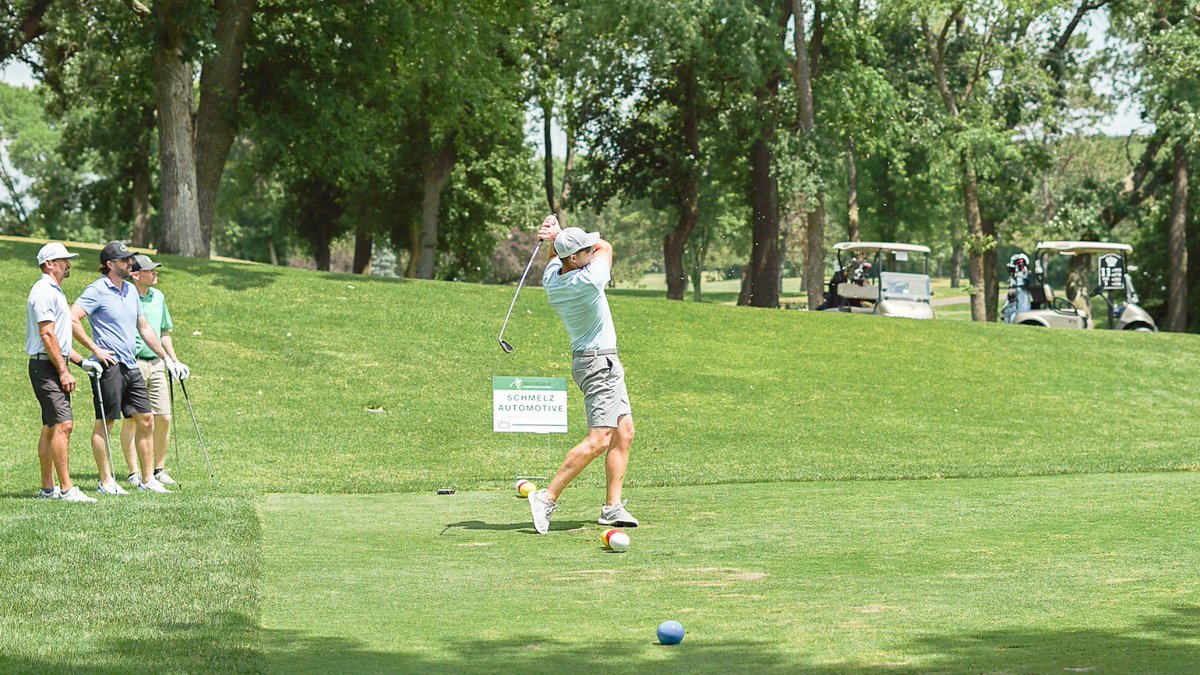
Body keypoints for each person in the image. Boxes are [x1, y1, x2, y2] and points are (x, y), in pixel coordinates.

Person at [527, 215, 638, 534]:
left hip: (597, 362)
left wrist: (554, 237)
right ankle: (546, 497)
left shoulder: (552, 277)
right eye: (584, 249)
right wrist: (558, 234)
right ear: (574, 259)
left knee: (624, 432)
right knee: (600, 439)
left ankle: (612, 507)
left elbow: (556, 256)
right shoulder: (589, 280)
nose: (592, 249)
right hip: (598, 363)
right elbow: (607, 246)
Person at [70, 241, 184, 496]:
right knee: (106, 423)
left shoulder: (131, 291)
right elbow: (71, 317)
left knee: (146, 420)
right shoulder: (96, 290)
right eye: (124, 260)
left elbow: (143, 328)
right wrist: (95, 349)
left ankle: (147, 479)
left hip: (131, 364)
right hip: (109, 366)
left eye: (129, 259)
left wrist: (166, 357)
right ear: (110, 265)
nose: (129, 263)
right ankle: (106, 481)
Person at [26, 243, 100, 503]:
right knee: (63, 424)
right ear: (49, 264)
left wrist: (81, 362)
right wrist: (64, 370)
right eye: (63, 260)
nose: (68, 264)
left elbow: (59, 339)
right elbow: (47, 334)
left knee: (51, 426)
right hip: (46, 367)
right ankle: (67, 490)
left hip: (49, 364)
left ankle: (48, 489)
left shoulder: (54, 291)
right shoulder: (44, 291)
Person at [119, 254, 190, 486]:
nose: (155, 273)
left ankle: (159, 469)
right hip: (133, 363)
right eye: (150, 270)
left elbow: (164, 333)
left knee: (164, 417)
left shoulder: (158, 297)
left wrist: (174, 361)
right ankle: (133, 472)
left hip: (157, 363)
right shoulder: (125, 296)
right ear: (135, 275)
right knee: (132, 419)